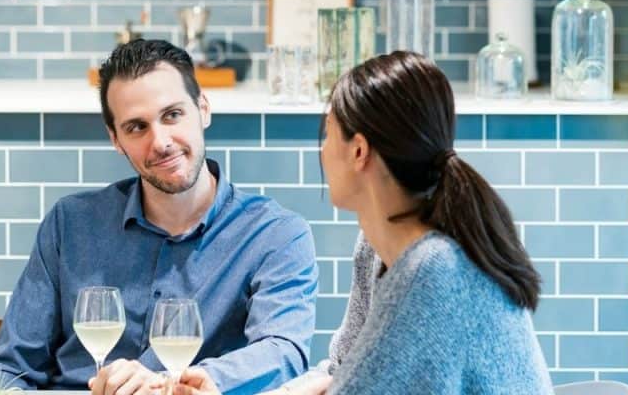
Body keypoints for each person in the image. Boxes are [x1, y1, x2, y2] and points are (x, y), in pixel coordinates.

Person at [169, 51, 552, 395]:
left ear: (358, 151)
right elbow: (341, 371)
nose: (321, 151)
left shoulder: (433, 269)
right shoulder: (378, 248)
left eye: (327, 134)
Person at [0, 39, 319, 394]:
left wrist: (188, 382)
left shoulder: (275, 235)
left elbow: (283, 352)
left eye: (172, 115)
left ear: (203, 109)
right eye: (137, 127)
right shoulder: (70, 224)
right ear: (116, 139)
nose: (160, 142)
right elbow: (9, 368)